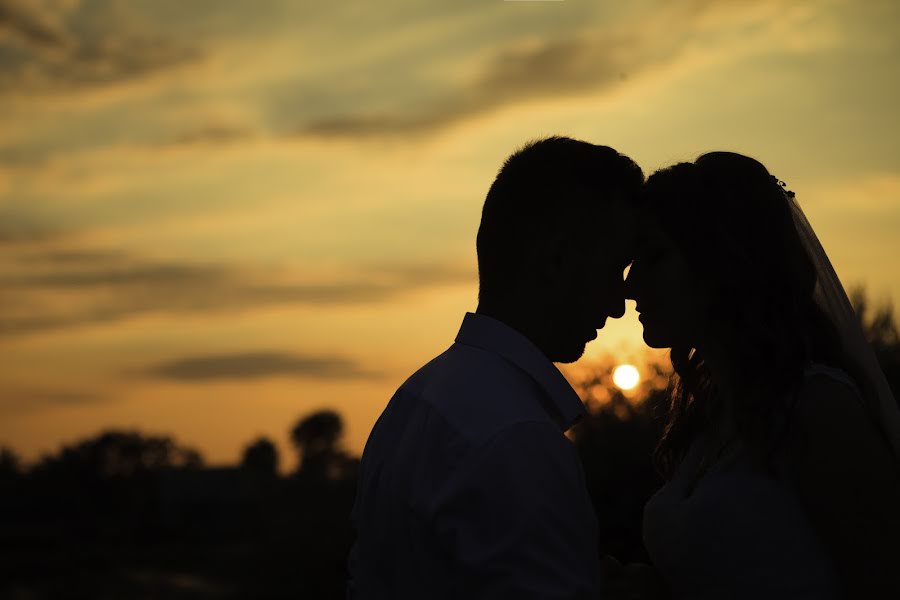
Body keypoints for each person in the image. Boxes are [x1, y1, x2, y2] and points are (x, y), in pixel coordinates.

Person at [347, 136, 643, 599]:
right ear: (556, 260)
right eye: (613, 270)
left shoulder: (414, 399)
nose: (617, 306)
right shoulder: (518, 436)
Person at [625, 151, 900, 599]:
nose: (630, 285)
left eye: (654, 257)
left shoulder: (818, 409)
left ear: (722, 260)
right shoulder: (710, 419)